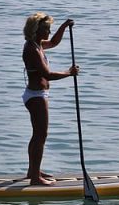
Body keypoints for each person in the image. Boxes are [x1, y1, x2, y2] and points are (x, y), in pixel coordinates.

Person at [22, 12, 78, 185]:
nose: (48, 31)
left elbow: (54, 42)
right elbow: (47, 74)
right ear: (36, 30)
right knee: (40, 136)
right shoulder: (32, 49)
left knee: (37, 135)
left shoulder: (37, 44)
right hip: (36, 96)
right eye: (46, 29)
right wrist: (69, 73)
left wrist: (63, 26)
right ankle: (34, 179)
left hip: (37, 94)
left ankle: (33, 171)